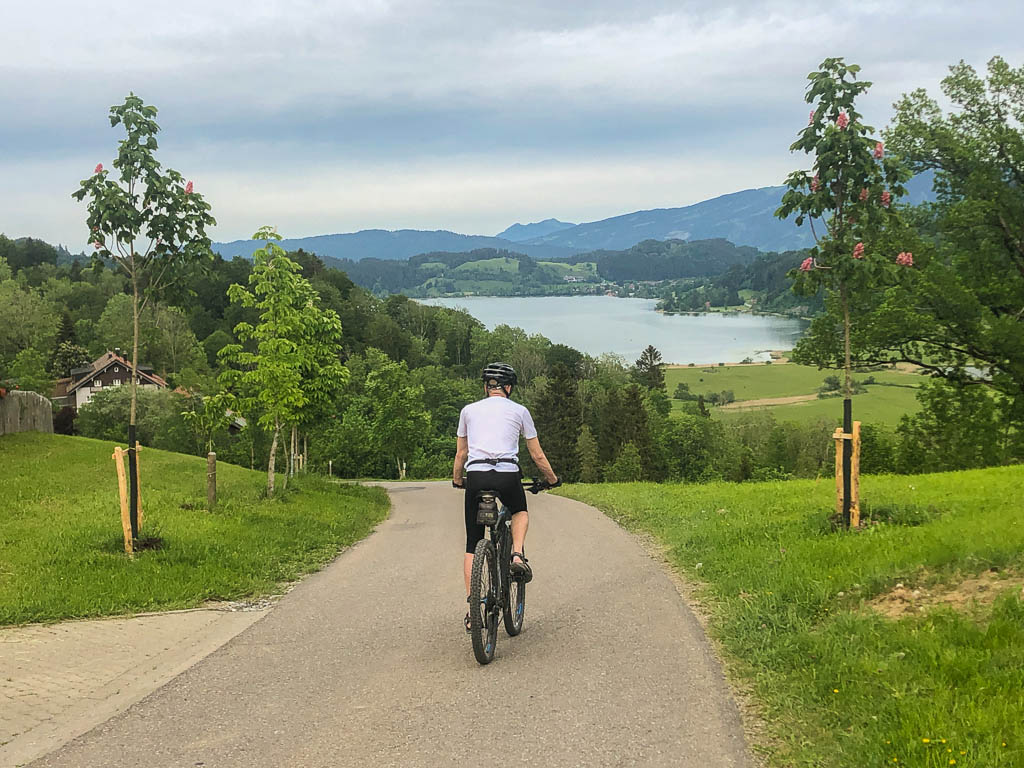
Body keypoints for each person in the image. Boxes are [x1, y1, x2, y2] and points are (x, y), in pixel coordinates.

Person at [452, 362, 558, 631]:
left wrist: (457, 480)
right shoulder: (520, 411)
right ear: (508, 388)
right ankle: (517, 556)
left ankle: (471, 609)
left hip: (476, 476)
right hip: (507, 473)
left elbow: (461, 454)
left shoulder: (468, 410)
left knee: (472, 542)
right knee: (519, 510)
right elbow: (537, 455)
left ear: (486, 386)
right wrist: (551, 479)